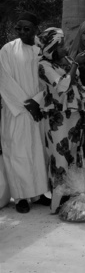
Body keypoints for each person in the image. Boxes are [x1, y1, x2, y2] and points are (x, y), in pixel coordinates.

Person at [0, 13, 48, 213]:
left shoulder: (43, 50)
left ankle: (39, 193)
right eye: (18, 28)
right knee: (18, 154)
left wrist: (38, 102)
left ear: (36, 29)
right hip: (16, 112)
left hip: (39, 111)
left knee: (38, 153)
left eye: (26, 29)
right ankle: (21, 197)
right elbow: (4, 79)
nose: (21, 32)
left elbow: (50, 78)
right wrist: (27, 105)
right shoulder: (8, 50)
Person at [38, 28, 85, 212]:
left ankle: (75, 197)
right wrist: (76, 63)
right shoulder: (44, 65)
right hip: (58, 118)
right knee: (60, 158)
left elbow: (78, 83)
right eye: (60, 45)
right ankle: (58, 203)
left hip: (75, 115)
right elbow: (63, 86)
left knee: (75, 155)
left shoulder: (66, 61)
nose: (64, 47)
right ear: (51, 47)